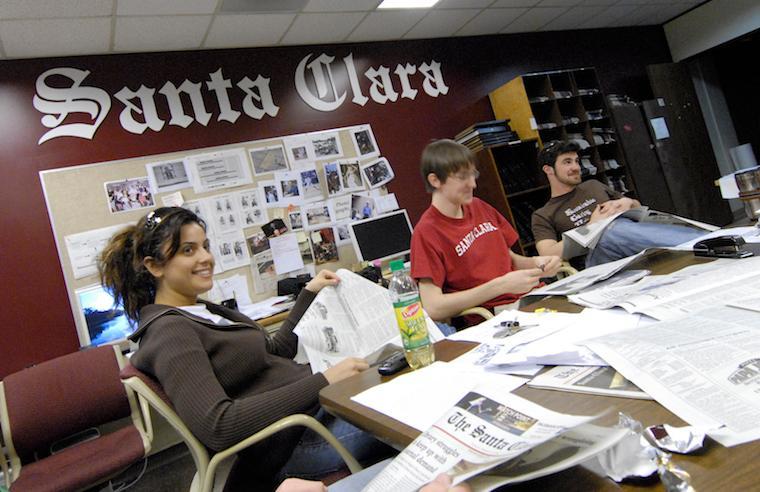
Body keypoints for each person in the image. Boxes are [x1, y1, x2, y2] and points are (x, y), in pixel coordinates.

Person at [98, 207, 391, 492]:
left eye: (205, 246)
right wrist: (324, 380)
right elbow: (218, 425)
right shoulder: (169, 332)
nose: (206, 258)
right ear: (154, 266)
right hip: (298, 440)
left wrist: (308, 293)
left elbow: (275, 351)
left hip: (319, 412)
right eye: (188, 250)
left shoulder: (202, 309)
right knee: (411, 419)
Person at [410, 139, 561, 322]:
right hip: (496, 315)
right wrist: (501, 286)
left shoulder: (479, 206)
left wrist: (537, 263)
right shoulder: (427, 232)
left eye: (473, 174)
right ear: (435, 180)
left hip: (531, 297)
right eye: (462, 176)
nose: (473, 184)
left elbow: (510, 260)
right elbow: (433, 307)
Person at [531, 141, 705, 268]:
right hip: (597, 261)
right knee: (609, 230)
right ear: (549, 170)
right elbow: (548, 254)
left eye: (577, 161)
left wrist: (627, 202)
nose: (576, 167)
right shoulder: (543, 214)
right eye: (567, 162)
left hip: (630, 241)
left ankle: (702, 240)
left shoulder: (593, 185)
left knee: (621, 225)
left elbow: (637, 209)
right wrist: (593, 226)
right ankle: (702, 242)